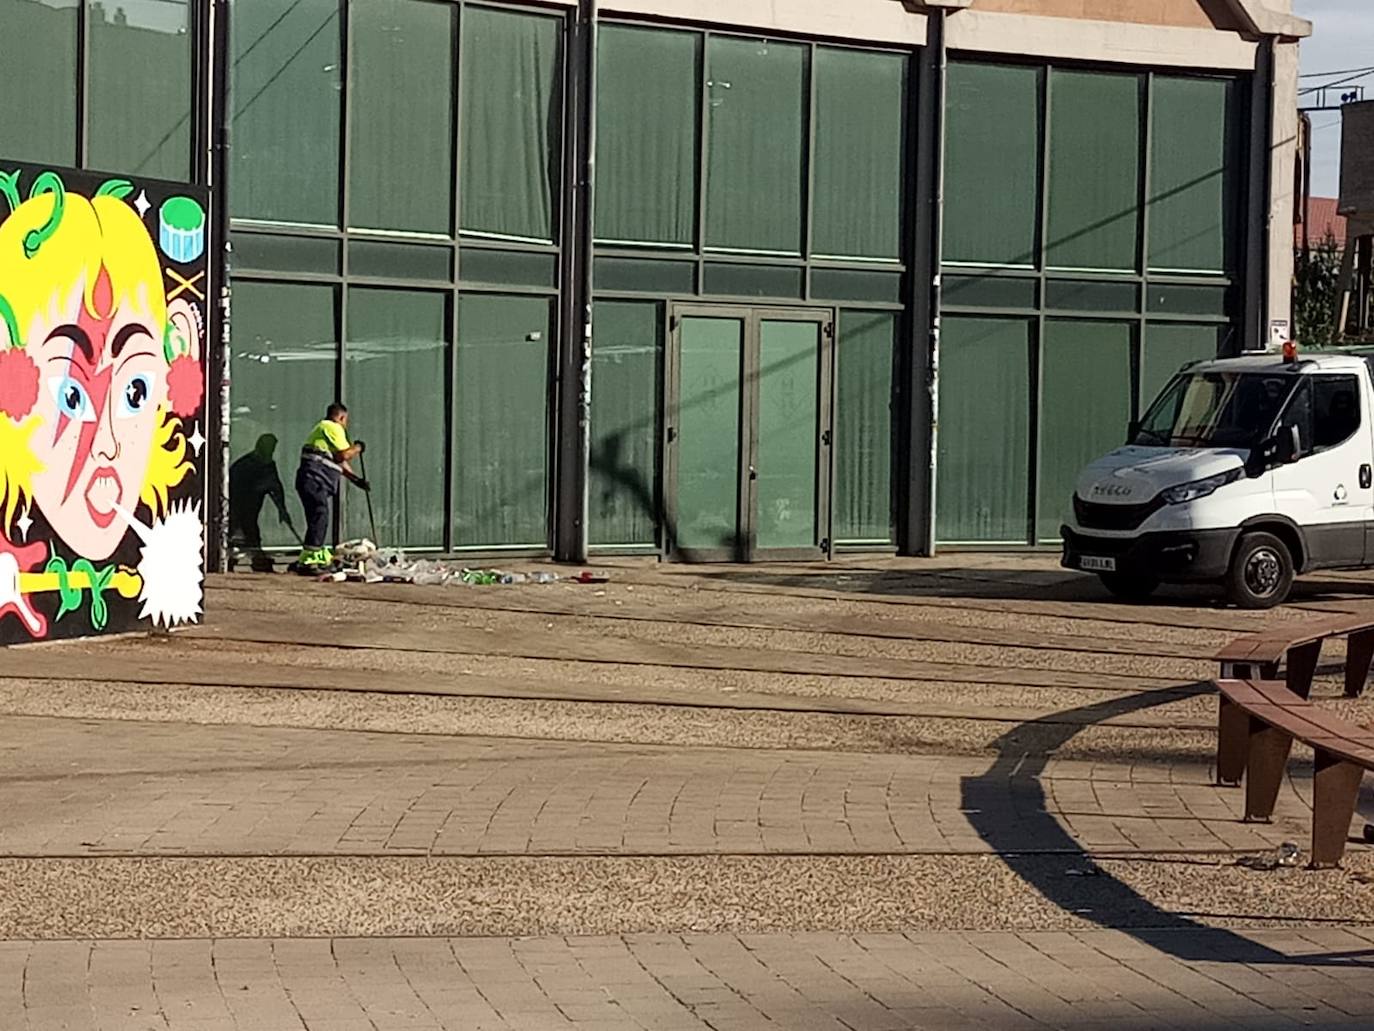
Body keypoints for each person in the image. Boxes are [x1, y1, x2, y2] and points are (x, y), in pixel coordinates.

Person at [293, 403, 366, 572]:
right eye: (345, 421)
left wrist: (356, 480)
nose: (345, 425)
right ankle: (309, 561)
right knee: (320, 514)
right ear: (341, 417)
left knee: (316, 518)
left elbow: (338, 461)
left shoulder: (321, 430)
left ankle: (309, 556)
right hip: (314, 479)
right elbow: (344, 454)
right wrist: (358, 448)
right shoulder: (331, 426)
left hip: (309, 480)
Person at [229, 434, 288, 571]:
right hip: (238, 504)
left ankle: (258, 560)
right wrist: (260, 487)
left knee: (251, 531)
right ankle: (232, 559)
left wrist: (282, 510)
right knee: (237, 532)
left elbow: (276, 487)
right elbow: (233, 484)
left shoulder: (268, 465)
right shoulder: (245, 464)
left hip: (253, 506)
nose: (271, 451)